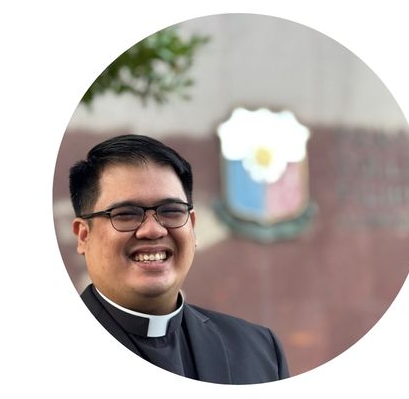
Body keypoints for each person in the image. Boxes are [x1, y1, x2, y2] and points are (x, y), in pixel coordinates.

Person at [69, 134, 289, 384]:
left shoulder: (258, 350)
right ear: (83, 236)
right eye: (126, 214)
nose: (153, 230)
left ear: (192, 226)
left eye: (171, 211)